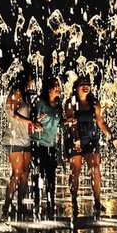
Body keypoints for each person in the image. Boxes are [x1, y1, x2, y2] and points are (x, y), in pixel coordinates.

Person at [64, 76, 117, 216]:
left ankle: (97, 200)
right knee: (75, 171)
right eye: (82, 84)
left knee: (95, 170)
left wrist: (112, 138)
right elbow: (71, 123)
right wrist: (77, 139)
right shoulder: (71, 102)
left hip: (91, 139)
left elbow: (100, 122)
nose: (86, 86)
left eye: (88, 84)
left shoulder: (94, 103)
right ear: (76, 87)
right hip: (75, 138)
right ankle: (74, 201)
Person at [30, 77, 75, 218]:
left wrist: (66, 121)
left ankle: (50, 202)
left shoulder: (57, 104)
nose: (59, 87)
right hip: (38, 144)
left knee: (51, 175)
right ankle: (36, 203)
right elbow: (31, 119)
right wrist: (36, 121)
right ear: (49, 88)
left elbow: (58, 122)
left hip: (51, 145)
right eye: (56, 85)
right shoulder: (40, 102)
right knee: (38, 174)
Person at [2, 68, 43, 218]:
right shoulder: (15, 92)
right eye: (32, 79)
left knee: (25, 174)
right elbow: (13, 114)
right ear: (25, 79)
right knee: (17, 173)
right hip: (13, 138)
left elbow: (25, 119)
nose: (33, 82)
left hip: (25, 138)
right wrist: (31, 120)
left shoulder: (25, 97)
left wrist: (36, 121)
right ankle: (7, 205)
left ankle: (20, 204)